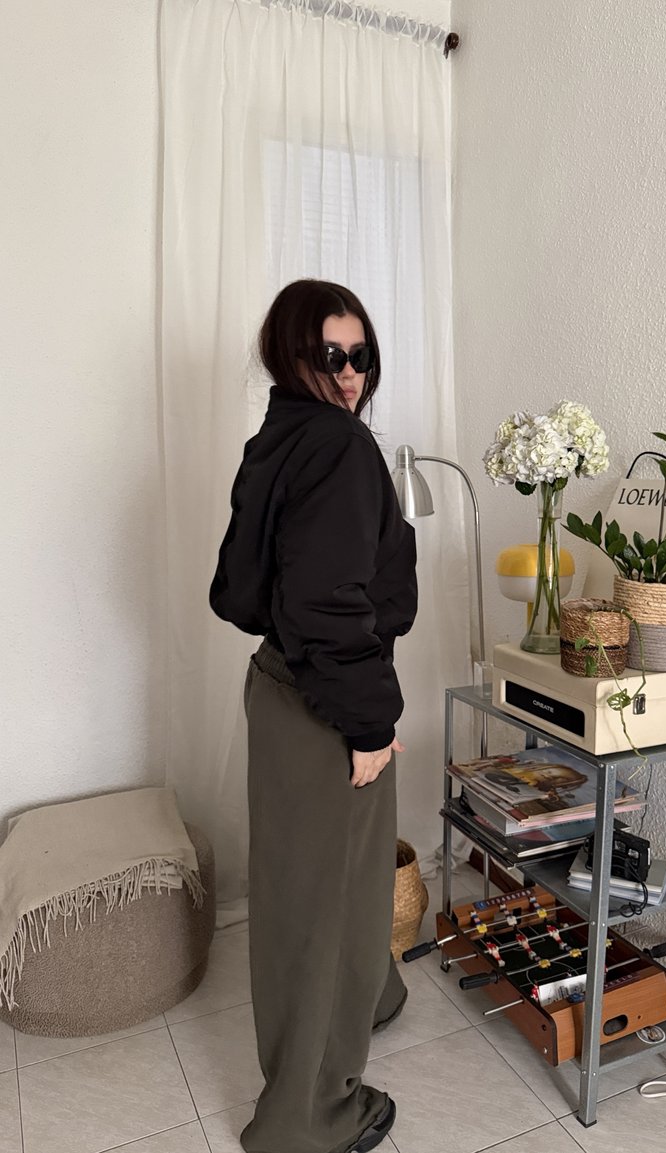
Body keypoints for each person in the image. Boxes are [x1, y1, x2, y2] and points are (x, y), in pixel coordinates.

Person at [210, 279, 417, 1153]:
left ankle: (372, 998)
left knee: (328, 885)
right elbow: (328, 604)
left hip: (287, 684)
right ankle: (309, 1118)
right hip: (324, 699)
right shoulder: (336, 447)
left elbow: (240, 589)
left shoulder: (280, 437)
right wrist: (370, 721)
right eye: (329, 355)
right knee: (318, 906)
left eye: (359, 355)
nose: (348, 373)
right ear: (292, 354)